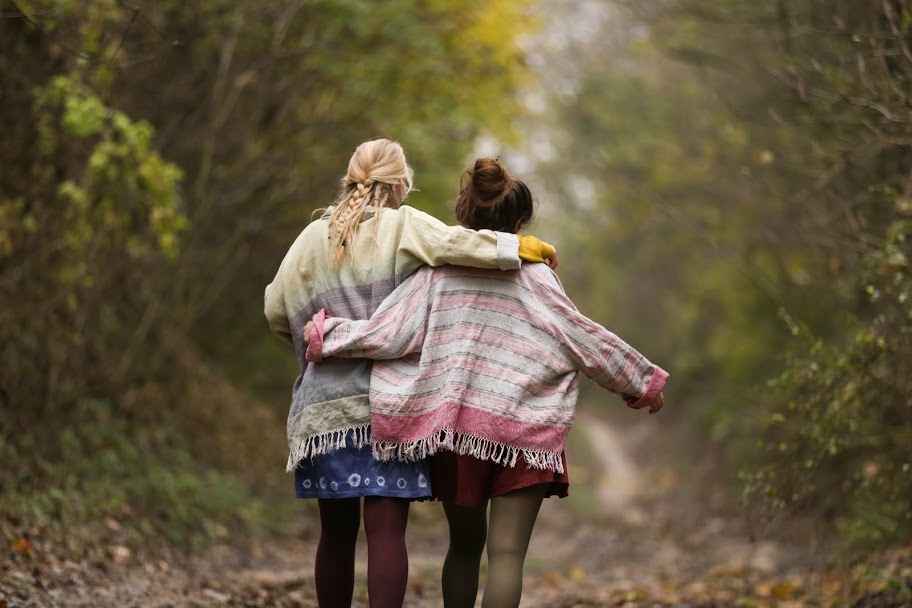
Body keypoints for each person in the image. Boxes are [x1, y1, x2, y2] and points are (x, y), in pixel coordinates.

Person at [302, 157, 668, 608]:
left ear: (464, 217)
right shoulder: (538, 278)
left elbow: (387, 332)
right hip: (524, 437)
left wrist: (327, 335)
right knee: (507, 555)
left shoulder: (436, 275)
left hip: (459, 437)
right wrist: (641, 381)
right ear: (519, 222)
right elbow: (584, 338)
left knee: (463, 547)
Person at [263, 140, 557, 608]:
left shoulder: (310, 240)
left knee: (334, 534)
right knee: (386, 531)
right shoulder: (405, 226)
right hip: (391, 404)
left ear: (349, 179)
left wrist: (312, 347)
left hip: (322, 412)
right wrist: (520, 247)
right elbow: (462, 245)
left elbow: (276, 310)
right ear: (401, 184)